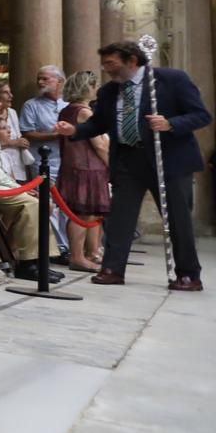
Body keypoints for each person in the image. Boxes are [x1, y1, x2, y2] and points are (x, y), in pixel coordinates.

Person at [57, 41, 212, 290]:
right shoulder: (109, 92)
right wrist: (74, 130)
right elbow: (98, 124)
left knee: (177, 218)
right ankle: (112, 269)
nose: (107, 69)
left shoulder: (171, 80)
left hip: (168, 160)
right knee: (119, 217)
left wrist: (170, 123)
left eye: (111, 63)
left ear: (131, 61)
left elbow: (201, 115)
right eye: (105, 64)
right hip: (128, 159)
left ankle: (188, 274)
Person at [0, 94, 50, 281]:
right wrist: (19, 189)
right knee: (32, 204)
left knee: (42, 201)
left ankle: (41, 260)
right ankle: (28, 262)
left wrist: (19, 187)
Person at [56, 70, 110, 273]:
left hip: (74, 165)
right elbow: (99, 145)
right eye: (94, 85)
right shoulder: (84, 112)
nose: (96, 89)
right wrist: (111, 165)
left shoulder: (66, 110)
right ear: (86, 87)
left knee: (90, 213)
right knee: (82, 213)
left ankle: (91, 252)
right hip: (87, 167)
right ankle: (78, 256)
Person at [19, 65, 71, 259]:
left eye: (45, 79)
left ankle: (68, 245)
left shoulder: (68, 106)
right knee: (47, 204)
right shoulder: (31, 105)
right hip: (43, 162)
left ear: (59, 81)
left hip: (66, 160)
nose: (40, 82)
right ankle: (58, 248)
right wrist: (54, 134)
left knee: (67, 205)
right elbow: (27, 132)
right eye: (39, 79)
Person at [0, 82, 33, 184]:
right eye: (6, 92)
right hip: (0, 167)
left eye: (10, 92)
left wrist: (22, 143)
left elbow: (17, 137)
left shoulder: (12, 112)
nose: (11, 96)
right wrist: (12, 143)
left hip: (18, 167)